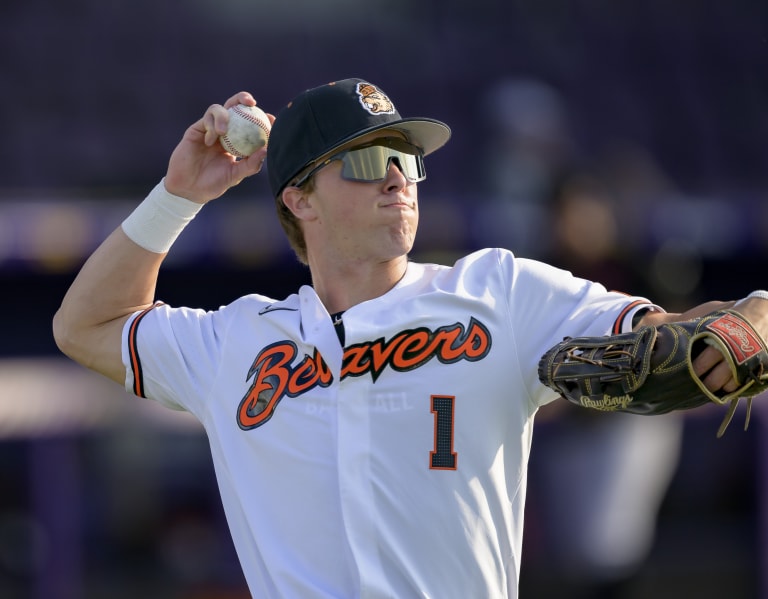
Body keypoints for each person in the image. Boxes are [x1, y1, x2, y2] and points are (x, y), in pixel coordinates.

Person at [52, 78, 768, 598]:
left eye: (407, 159)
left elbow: (673, 337)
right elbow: (85, 325)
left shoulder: (498, 293)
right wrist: (178, 196)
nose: (398, 179)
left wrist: (755, 313)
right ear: (300, 198)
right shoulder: (236, 342)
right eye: (369, 161)